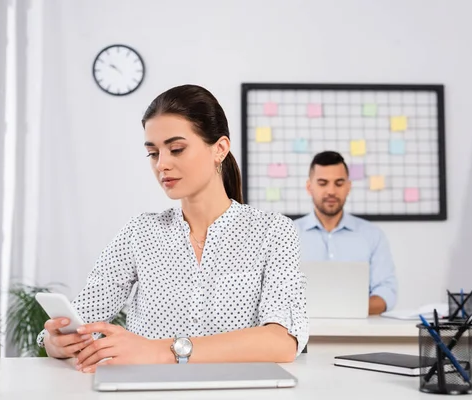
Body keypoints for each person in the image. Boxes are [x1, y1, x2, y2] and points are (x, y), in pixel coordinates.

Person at [36, 84, 308, 373]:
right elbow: (83, 319)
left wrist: (160, 350)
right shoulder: (139, 233)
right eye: (153, 153)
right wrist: (56, 343)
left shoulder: (273, 231)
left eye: (176, 149)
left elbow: (282, 342)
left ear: (220, 149)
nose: (162, 164)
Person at [294, 151, 397, 315]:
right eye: (322, 183)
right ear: (309, 187)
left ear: (348, 187)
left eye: (339, 183)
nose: (331, 191)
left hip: (360, 335)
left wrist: (342, 309)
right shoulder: (286, 235)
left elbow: (387, 293)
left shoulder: (372, 235)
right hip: (299, 335)